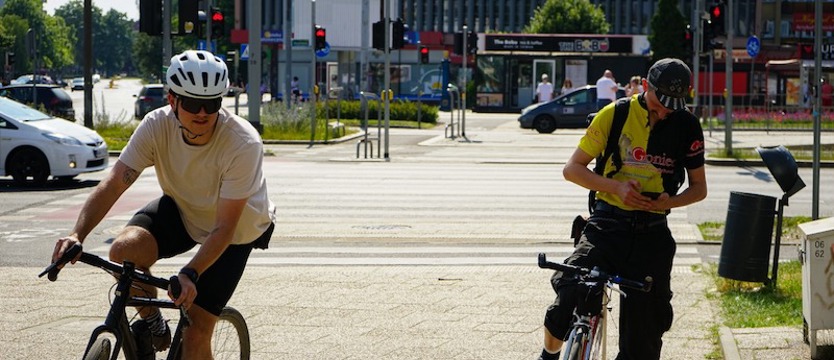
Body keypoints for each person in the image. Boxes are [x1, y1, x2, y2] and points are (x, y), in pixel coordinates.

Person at [51, 50, 276, 359]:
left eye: (211, 104)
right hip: (186, 211)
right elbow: (115, 182)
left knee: (195, 333)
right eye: (193, 103)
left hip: (236, 231)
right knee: (122, 252)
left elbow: (224, 227)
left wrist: (191, 272)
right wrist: (78, 234)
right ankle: (154, 326)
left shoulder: (242, 143)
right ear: (172, 100)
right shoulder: (156, 126)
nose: (202, 113)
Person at [538, 58, 707, 360]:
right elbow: (572, 169)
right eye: (659, 103)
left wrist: (670, 202)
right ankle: (548, 356)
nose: (664, 111)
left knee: (645, 335)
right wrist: (615, 187)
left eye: (673, 105)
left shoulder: (687, 126)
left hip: (652, 233)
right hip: (608, 224)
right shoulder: (615, 114)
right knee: (571, 288)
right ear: (644, 86)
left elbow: (699, 188)